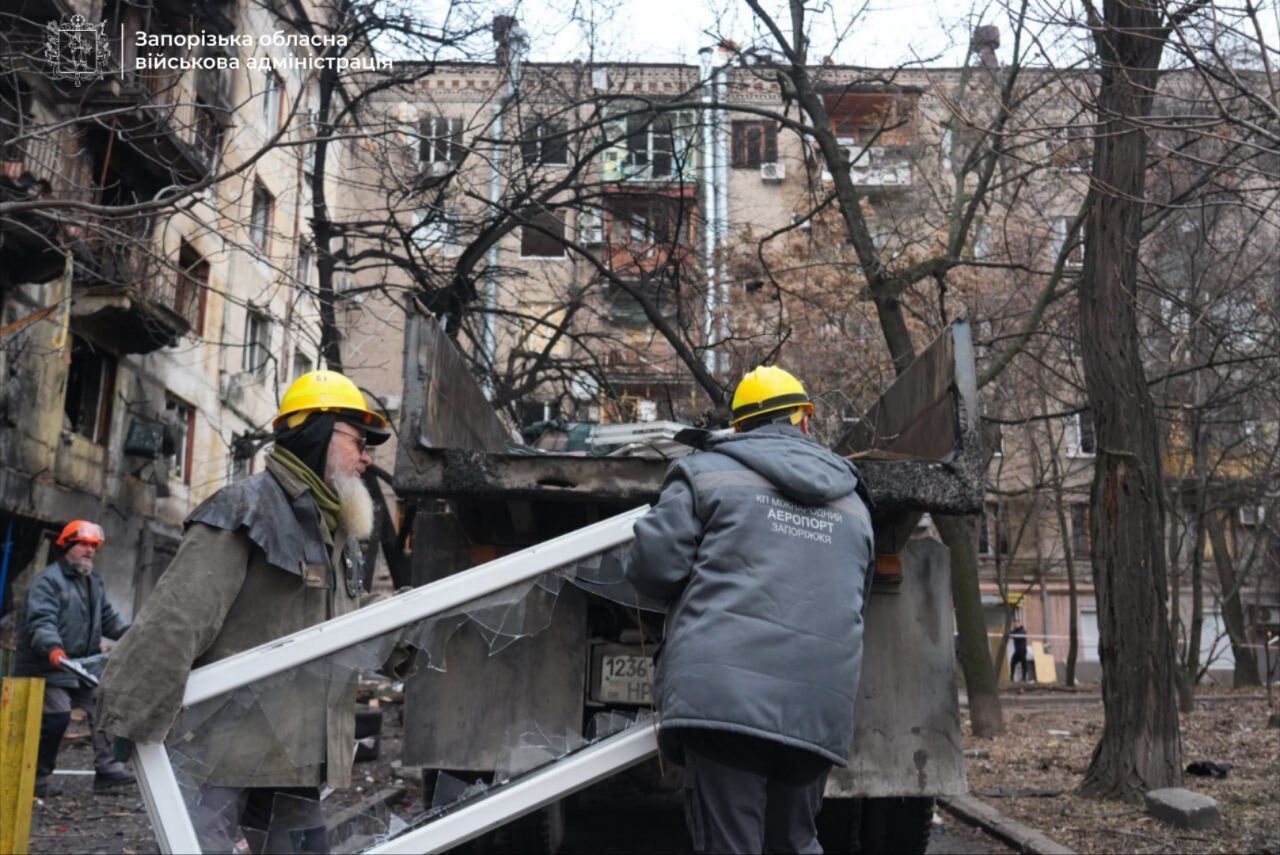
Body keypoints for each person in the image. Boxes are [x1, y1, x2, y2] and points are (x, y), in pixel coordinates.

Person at [97, 370, 392, 853]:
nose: (366, 458)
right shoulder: (245, 509)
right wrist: (130, 716)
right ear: (315, 433)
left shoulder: (331, 530)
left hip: (290, 754)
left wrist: (408, 630)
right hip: (218, 754)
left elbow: (340, 625)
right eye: (359, 441)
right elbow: (177, 620)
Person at [625, 365, 876, 855]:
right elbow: (855, 599)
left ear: (739, 427)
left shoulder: (704, 473)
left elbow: (654, 568)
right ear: (806, 420)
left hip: (724, 702)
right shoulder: (855, 502)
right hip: (816, 705)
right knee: (795, 843)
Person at [15, 519, 133, 797]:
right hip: (48, 666)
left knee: (105, 706)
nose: (89, 550)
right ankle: (37, 779)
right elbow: (41, 621)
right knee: (56, 716)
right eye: (83, 544)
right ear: (66, 546)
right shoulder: (48, 581)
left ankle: (109, 772)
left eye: (93, 546)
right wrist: (53, 648)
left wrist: (136, 635)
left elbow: (109, 620)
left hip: (79, 666)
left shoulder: (93, 582)